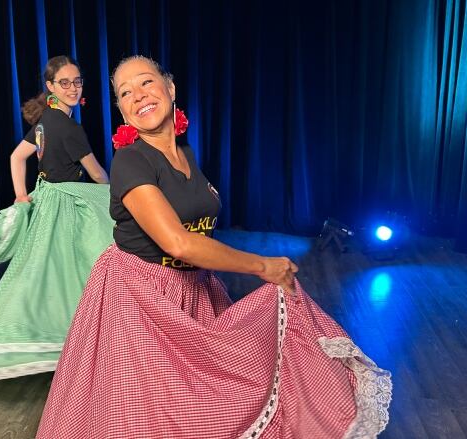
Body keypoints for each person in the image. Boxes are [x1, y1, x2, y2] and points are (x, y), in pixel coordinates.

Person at [36, 56, 392, 438]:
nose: (138, 96)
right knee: (156, 413)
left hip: (192, 289)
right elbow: (178, 242)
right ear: (121, 109)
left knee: (208, 396)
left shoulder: (185, 154)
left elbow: (197, 229)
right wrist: (262, 266)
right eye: (125, 93)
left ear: (170, 89)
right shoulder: (130, 161)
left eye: (146, 83)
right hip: (140, 297)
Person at [0, 55, 114, 381]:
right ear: (50, 87)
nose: (74, 88)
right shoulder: (68, 127)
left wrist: (22, 194)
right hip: (64, 203)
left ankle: (43, 333)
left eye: (77, 81)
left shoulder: (46, 119)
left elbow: (17, 157)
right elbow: (97, 174)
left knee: (43, 271)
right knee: (80, 264)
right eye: (65, 82)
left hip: (46, 196)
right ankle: (82, 335)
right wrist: (114, 198)